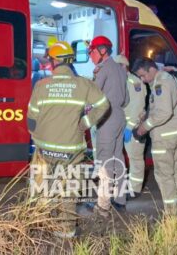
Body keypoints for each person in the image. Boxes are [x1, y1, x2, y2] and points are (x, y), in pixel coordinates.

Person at [27, 41, 110, 238]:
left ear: (55, 61)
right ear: (70, 60)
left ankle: (38, 223)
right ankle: (66, 230)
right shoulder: (83, 84)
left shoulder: (41, 84)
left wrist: (37, 138)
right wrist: (85, 123)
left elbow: (31, 119)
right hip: (71, 148)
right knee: (68, 189)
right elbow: (104, 105)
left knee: (42, 185)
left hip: (44, 148)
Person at [132, 57, 177, 216]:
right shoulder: (168, 79)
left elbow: (164, 112)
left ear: (151, 69)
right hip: (176, 134)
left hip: (165, 137)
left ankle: (171, 216)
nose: (142, 80)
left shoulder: (160, 82)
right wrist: (147, 113)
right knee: (176, 174)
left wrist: (143, 128)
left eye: (143, 75)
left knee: (165, 177)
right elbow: (162, 107)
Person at [88, 36, 129, 214]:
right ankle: (120, 200)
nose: (90, 55)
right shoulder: (120, 69)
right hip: (120, 115)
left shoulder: (103, 70)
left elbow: (93, 97)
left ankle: (103, 204)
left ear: (102, 51)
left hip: (107, 117)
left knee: (105, 162)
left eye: (92, 51)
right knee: (118, 158)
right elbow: (126, 99)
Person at [114, 55, 147, 198]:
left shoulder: (135, 83)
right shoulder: (118, 81)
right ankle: (121, 186)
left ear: (123, 67)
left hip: (133, 128)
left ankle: (135, 189)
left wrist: (130, 127)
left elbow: (138, 107)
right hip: (121, 127)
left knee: (135, 159)